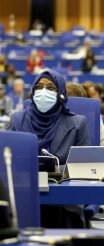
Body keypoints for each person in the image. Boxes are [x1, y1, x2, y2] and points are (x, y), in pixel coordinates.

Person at [8, 69, 90, 228]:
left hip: (63, 196)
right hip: (24, 190)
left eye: (51, 87)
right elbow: (7, 161)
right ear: (32, 92)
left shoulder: (78, 123)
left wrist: (58, 171)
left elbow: (83, 167)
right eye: (39, 87)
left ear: (60, 93)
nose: (43, 91)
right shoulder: (17, 119)